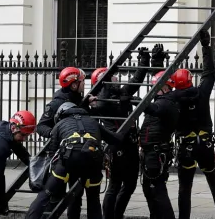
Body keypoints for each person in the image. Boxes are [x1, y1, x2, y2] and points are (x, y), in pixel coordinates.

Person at [90, 46, 157, 219]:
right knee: (115, 185)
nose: (116, 78)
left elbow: (136, 79)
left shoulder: (121, 92)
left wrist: (144, 60)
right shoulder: (102, 102)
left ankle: (117, 214)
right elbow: (107, 104)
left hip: (130, 145)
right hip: (116, 147)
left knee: (130, 183)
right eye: (112, 77)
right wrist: (119, 97)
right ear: (104, 82)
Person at [173, 31, 215, 219]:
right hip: (205, 144)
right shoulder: (201, 93)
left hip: (186, 147)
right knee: (212, 176)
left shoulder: (174, 100)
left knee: (185, 187)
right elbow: (209, 74)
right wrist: (206, 48)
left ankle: (184, 217)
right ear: (190, 80)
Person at [26, 67, 95, 219]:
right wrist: (56, 133)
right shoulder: (56, 103)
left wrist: (88, 103)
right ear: (74, 85)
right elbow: (41, 126)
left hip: (77, 153)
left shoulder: (79, 100)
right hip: (61, 156)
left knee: (76, 195)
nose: (85, 84)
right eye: (82, 82)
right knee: (54, 195)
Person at [139, 47, 197, 219]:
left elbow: (152, 107)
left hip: (156, 152)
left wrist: (135, 101)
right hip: (152, 150)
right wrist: (156, 63)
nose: (152, 90)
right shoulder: (165, 99)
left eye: (155, 87)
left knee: (157, 189)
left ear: (164, 87)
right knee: (149, 188)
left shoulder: (166, 103)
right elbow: (159, 81)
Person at [36, 101, 119, 219]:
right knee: (94, 201)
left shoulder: (60, 124)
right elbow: (114, 138)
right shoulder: (92, 122)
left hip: (71, 162)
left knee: (74, 198)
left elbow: (53, 153)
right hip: (93, 163)